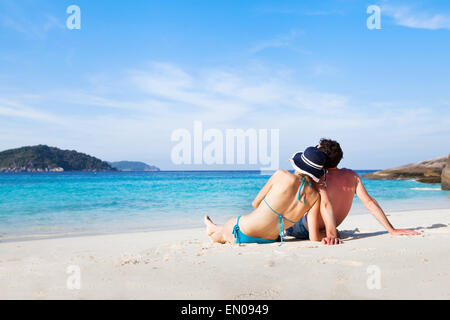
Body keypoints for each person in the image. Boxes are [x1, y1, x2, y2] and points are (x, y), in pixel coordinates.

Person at [286, 139, 420, 244]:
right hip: (327, 228)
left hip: (305, 227)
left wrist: (331, 235)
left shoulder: (319, 178)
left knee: (287, 220)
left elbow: (326, 205)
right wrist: (391, 229)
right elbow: (369, 202)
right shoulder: (352, 176)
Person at [204, 146, 340, 245]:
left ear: (298, 164)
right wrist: (331, 234)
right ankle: (213, 227)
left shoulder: (281, 175)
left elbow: (255, 203)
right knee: (224, 230)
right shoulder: (315, 197)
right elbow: (314, 237)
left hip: (244, 231)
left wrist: (265, 217)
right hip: (270, 239)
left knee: (225, 233)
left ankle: (215, 231)